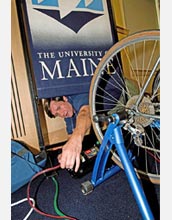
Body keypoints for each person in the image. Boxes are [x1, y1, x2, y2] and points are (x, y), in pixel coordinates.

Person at [43, 93, 91, 173]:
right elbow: (70, 135)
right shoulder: (68, 112)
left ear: (64, 98)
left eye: (59, 108)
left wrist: (75, 141)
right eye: (57, 114)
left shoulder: (76, 97)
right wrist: (64, 152)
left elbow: (85, 113)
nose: (61, 114)